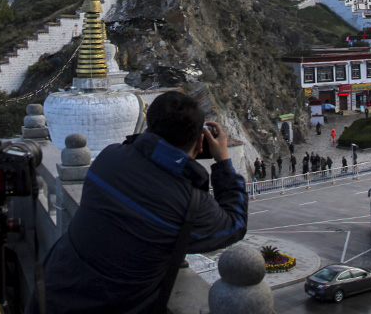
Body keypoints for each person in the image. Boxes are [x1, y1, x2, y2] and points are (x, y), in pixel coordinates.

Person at [32, 91, 246, 314]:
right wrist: (223, 163)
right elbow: (235, 225)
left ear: (147, 125)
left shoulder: (108, 158)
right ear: (200, 142)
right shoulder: (187, 202)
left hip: (49, 291)